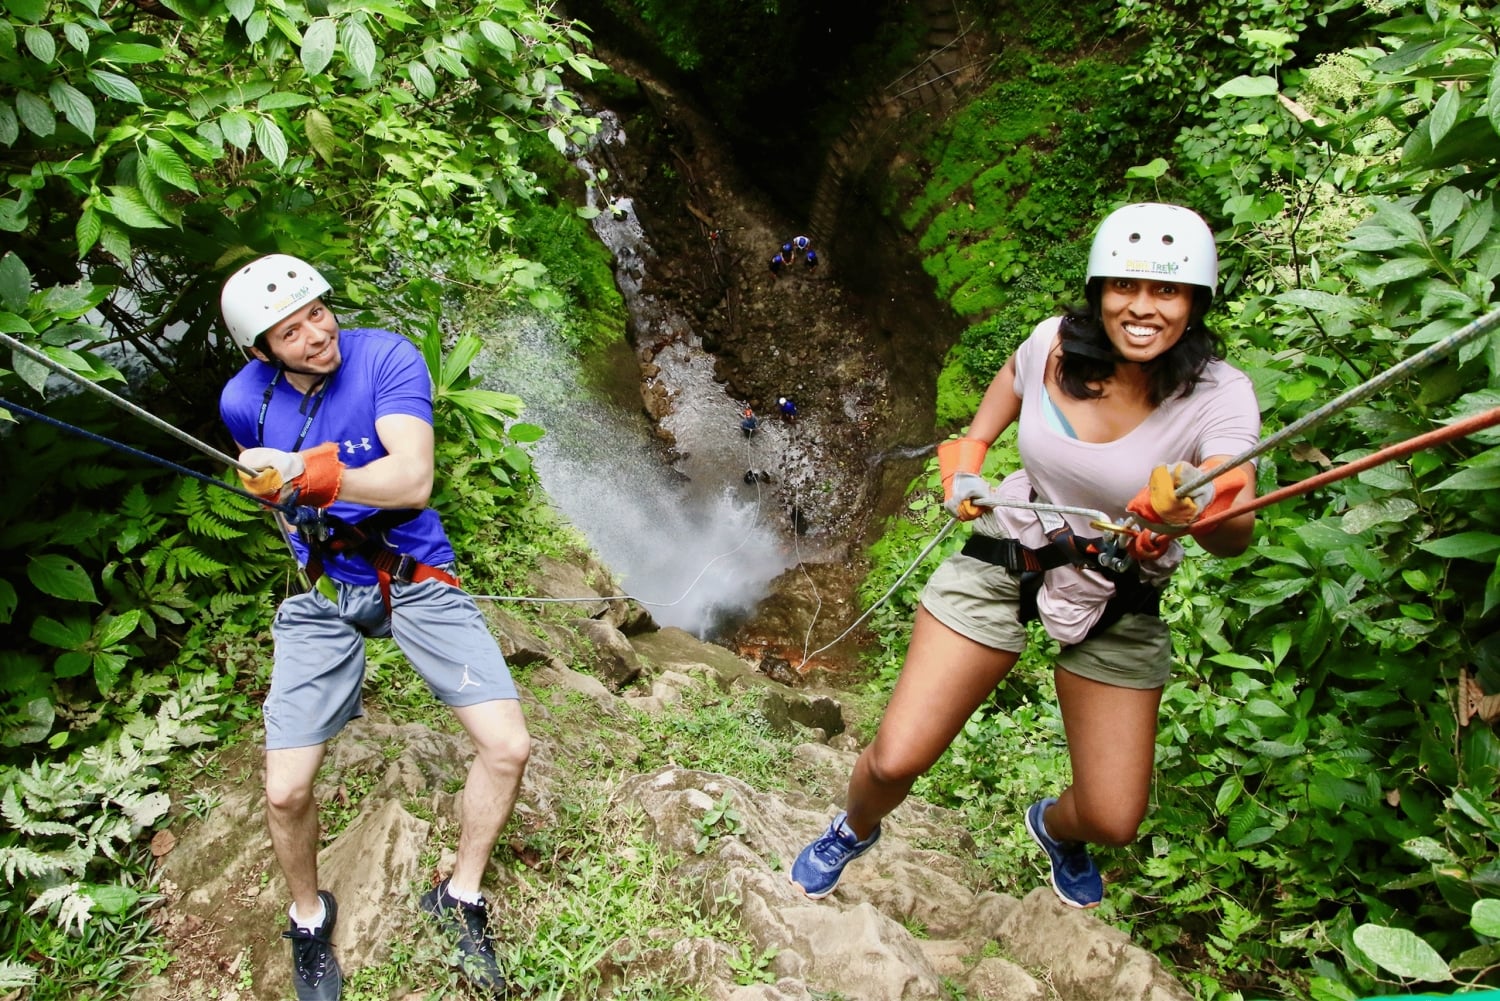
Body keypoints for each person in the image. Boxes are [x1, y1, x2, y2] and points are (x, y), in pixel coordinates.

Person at [789, 203, 1260, 909]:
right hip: (1014, 548)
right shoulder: (1055, 345)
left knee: (1113, 817)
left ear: (1195, 302)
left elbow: (1235, 518)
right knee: (896, 756)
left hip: (1121, 585)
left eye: (1166, 290)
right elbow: (1013, 376)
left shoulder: (1219, 396)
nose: (1141, 308)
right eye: (1124, 287)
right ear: (1099, 289)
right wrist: (969, 453)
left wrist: (1195, 513)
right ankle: (853, 827)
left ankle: (1054, 826)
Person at [218, 254, 530, 1000]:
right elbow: (270, 481)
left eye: (317, 313)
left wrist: (312, 472)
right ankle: (308, 915)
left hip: (413, 574)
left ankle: (459, 896)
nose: (315, 336)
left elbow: (411, 476)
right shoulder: (243, 401)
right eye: (289, 332)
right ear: (261, 352)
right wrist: (277, 491)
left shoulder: (384, 355)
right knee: (286, 790)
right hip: (325, 589)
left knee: (508, 746)